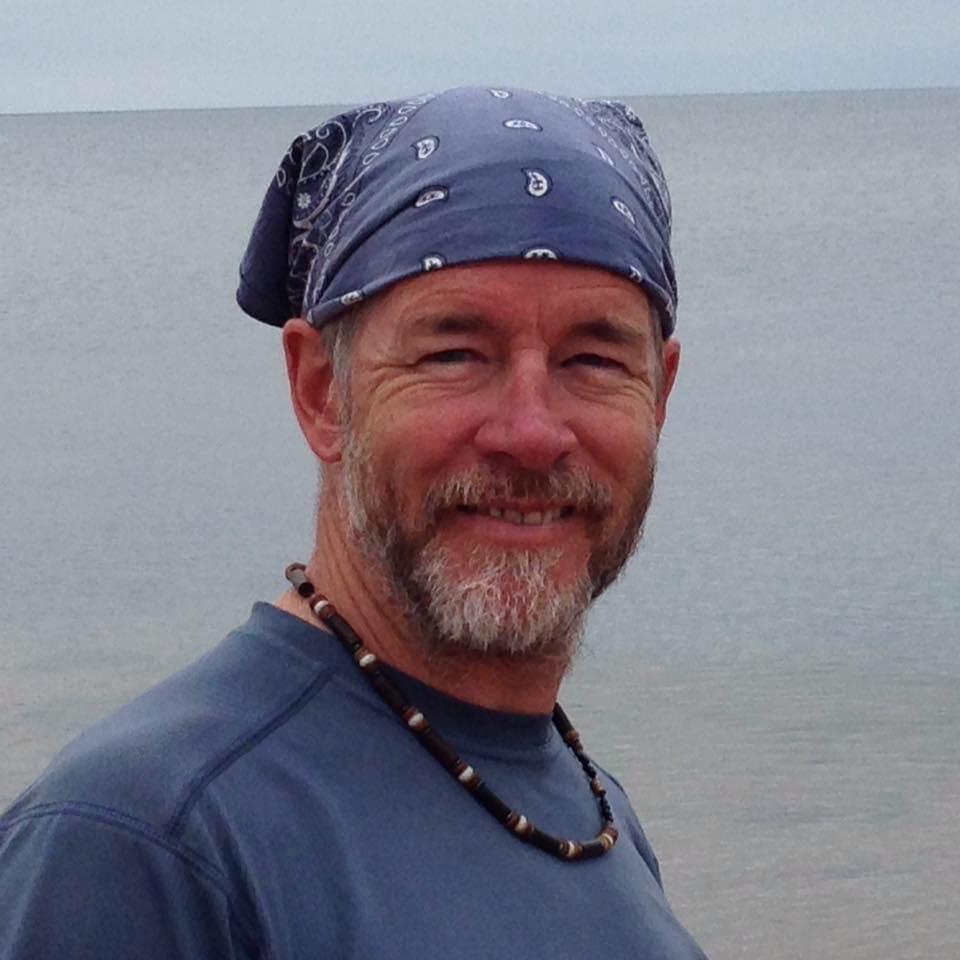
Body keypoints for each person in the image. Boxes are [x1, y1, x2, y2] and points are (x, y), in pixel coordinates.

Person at [0, 86, 706, 958]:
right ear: (320, 391)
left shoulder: (590, 809)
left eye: (593, 359)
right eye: (454, 353)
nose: (531, 432)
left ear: (661, 393)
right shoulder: (148, 844)